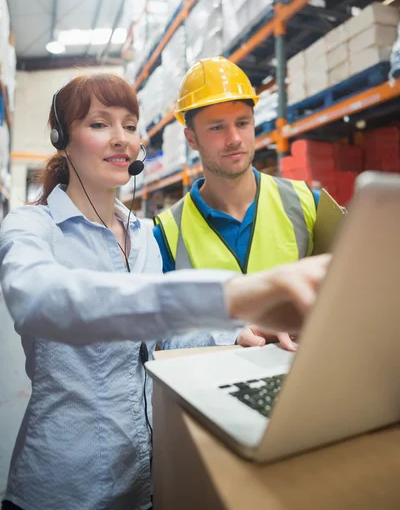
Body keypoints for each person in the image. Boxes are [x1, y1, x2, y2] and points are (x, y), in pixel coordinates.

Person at [0, 73, 330, 510]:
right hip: (67, 487)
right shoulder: (31, 227)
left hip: (144, 482)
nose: (121, 139)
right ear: (63, 138)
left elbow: (167, 340)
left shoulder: (142, 234)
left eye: (130, 126)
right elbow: (44, 301)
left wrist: (238, 331)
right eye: (99, 124)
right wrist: (231, 295)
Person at [154, 57, 323, 351]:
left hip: (302, 374)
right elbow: (163, 335)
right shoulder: (166, 233)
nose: (234, 139)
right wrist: (228, 336)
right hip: (211, 389)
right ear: (191, 139)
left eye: (242, 123)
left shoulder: (307, 202)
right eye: (217, 128)